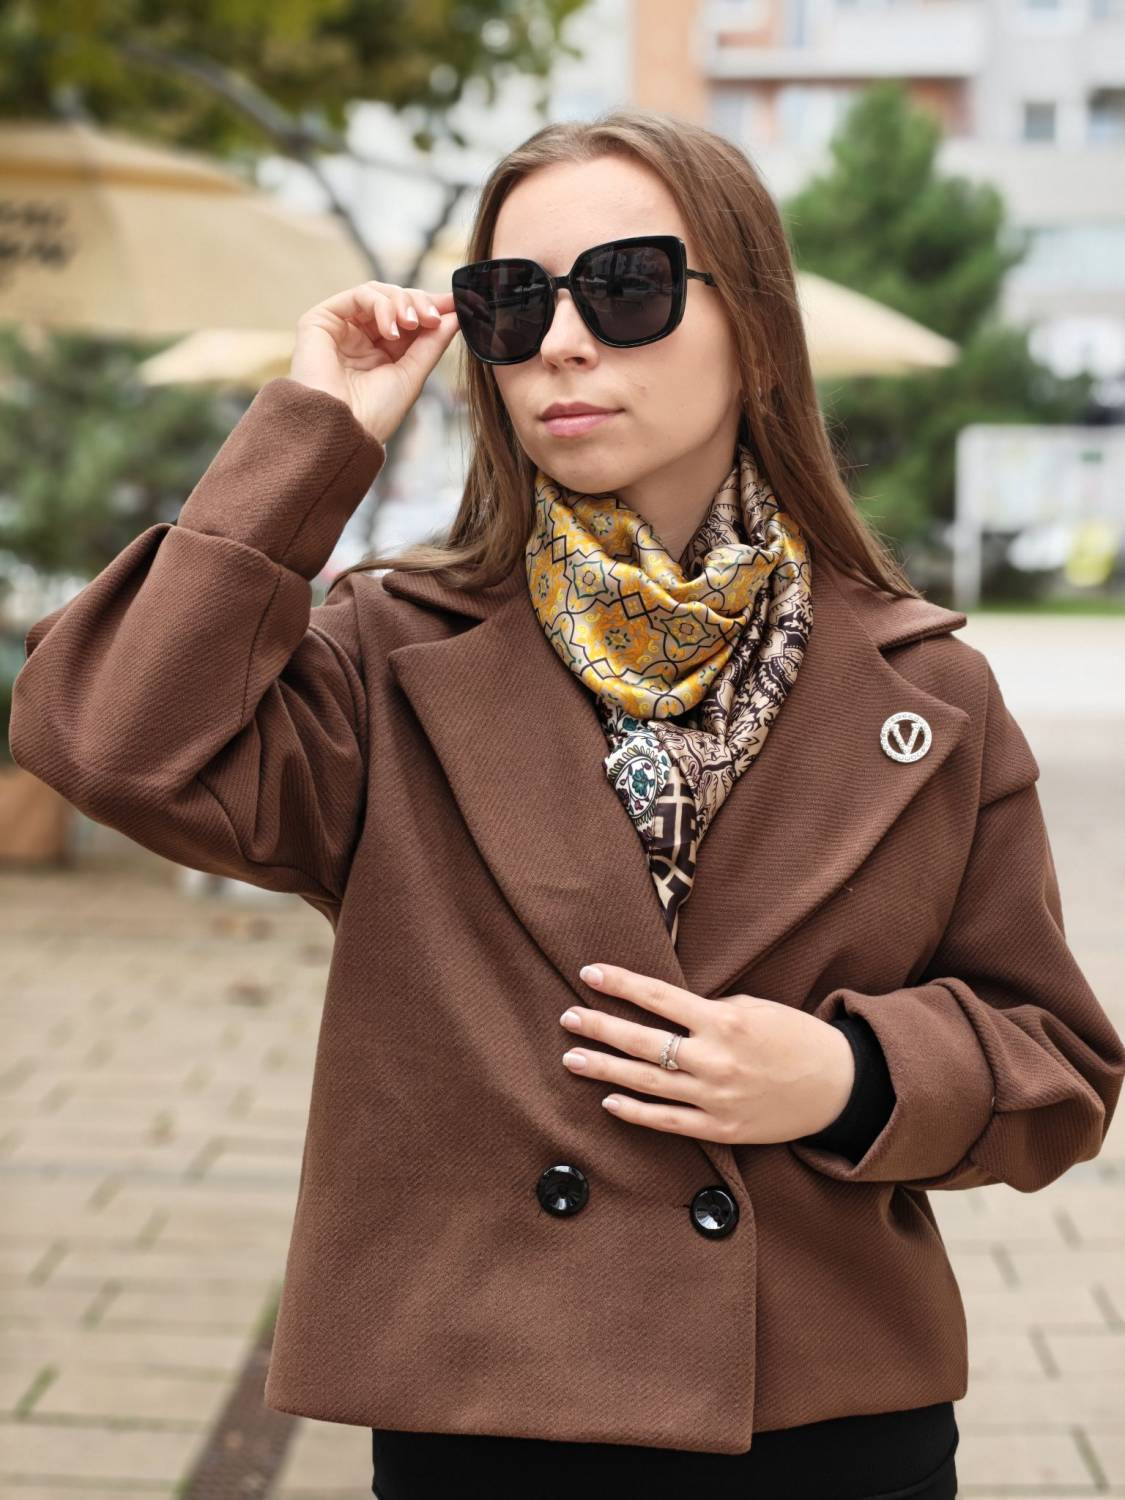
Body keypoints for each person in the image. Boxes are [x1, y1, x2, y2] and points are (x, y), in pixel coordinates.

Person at [9, 108, 1123, 1500]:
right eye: (511, 302)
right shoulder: (387, 659)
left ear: (755, 328)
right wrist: (312, 437)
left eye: (626, 286)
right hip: (488, 1404)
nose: (562, 343)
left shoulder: (926, 685)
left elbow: (1056, 1067)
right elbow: (108, 739)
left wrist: (845, 1077)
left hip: (822, 1411)